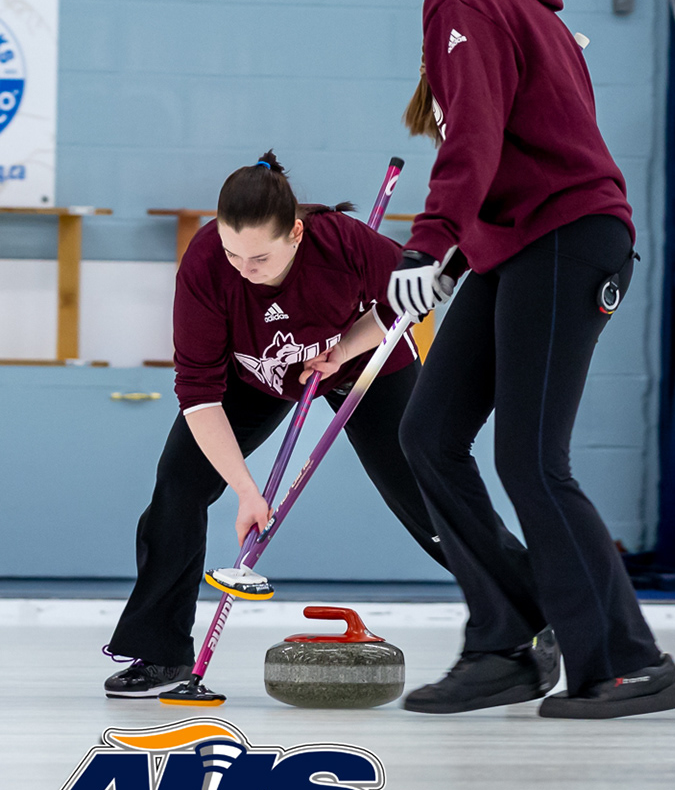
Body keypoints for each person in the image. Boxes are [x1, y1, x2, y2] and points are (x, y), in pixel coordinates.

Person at [370, 0, 675, 720]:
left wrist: (428, 243)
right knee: (429, 433)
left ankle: (629, 662)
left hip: (565, 239)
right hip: (516, 244)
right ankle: (508, 639)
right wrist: (455, 255)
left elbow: (473, 135)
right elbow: (509, 139)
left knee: (531, 459)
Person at [103, 154, 513, 696]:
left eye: (259, 257)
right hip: (257, 377)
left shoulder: (343, 243)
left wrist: (344, 348)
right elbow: (198, 395)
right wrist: (246, 491)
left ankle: (526, 611)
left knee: (426, 500)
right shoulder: (205, 264)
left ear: (295, 233)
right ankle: (161, 653)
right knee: (177, 486)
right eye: (232, 253)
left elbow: (409, 300)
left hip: (363, 365)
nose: (243, 269)